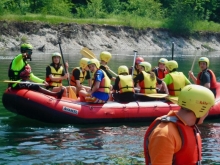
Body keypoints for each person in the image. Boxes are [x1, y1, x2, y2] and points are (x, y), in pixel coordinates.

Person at [144, 84, 215, 164]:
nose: (208, 113)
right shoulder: (165, 134)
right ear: (200, 109)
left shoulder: (190, 127)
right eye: (208, 109)